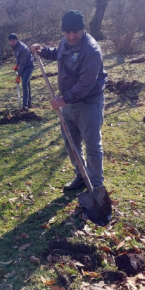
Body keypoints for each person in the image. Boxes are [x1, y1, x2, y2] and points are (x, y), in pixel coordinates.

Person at [31, 10, 108, 190]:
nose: (71, 36)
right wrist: (43, 51)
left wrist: (64, 100)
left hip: (88, 103)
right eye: (67, 32)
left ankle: (96, 186)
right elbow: (59, 52)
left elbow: (86, 83)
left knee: (92, 145)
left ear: (83, 29)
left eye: (76, 32)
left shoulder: (91, 50)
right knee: (71, 143)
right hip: (67, 103)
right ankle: (81, 176)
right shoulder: (66, 42)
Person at [8, 33, 34, 110]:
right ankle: (29, 104)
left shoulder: (22, 48)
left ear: (17, 40)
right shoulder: (15, 47)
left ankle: (25, 105)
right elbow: (18, 58)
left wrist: (18, 76)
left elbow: (22, 63)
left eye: (13, 40)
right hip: (23, 66)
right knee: (27, 84)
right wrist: (16, 65)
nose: (12, 42)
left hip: (28, 66)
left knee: (25, 82)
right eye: (10, 41)